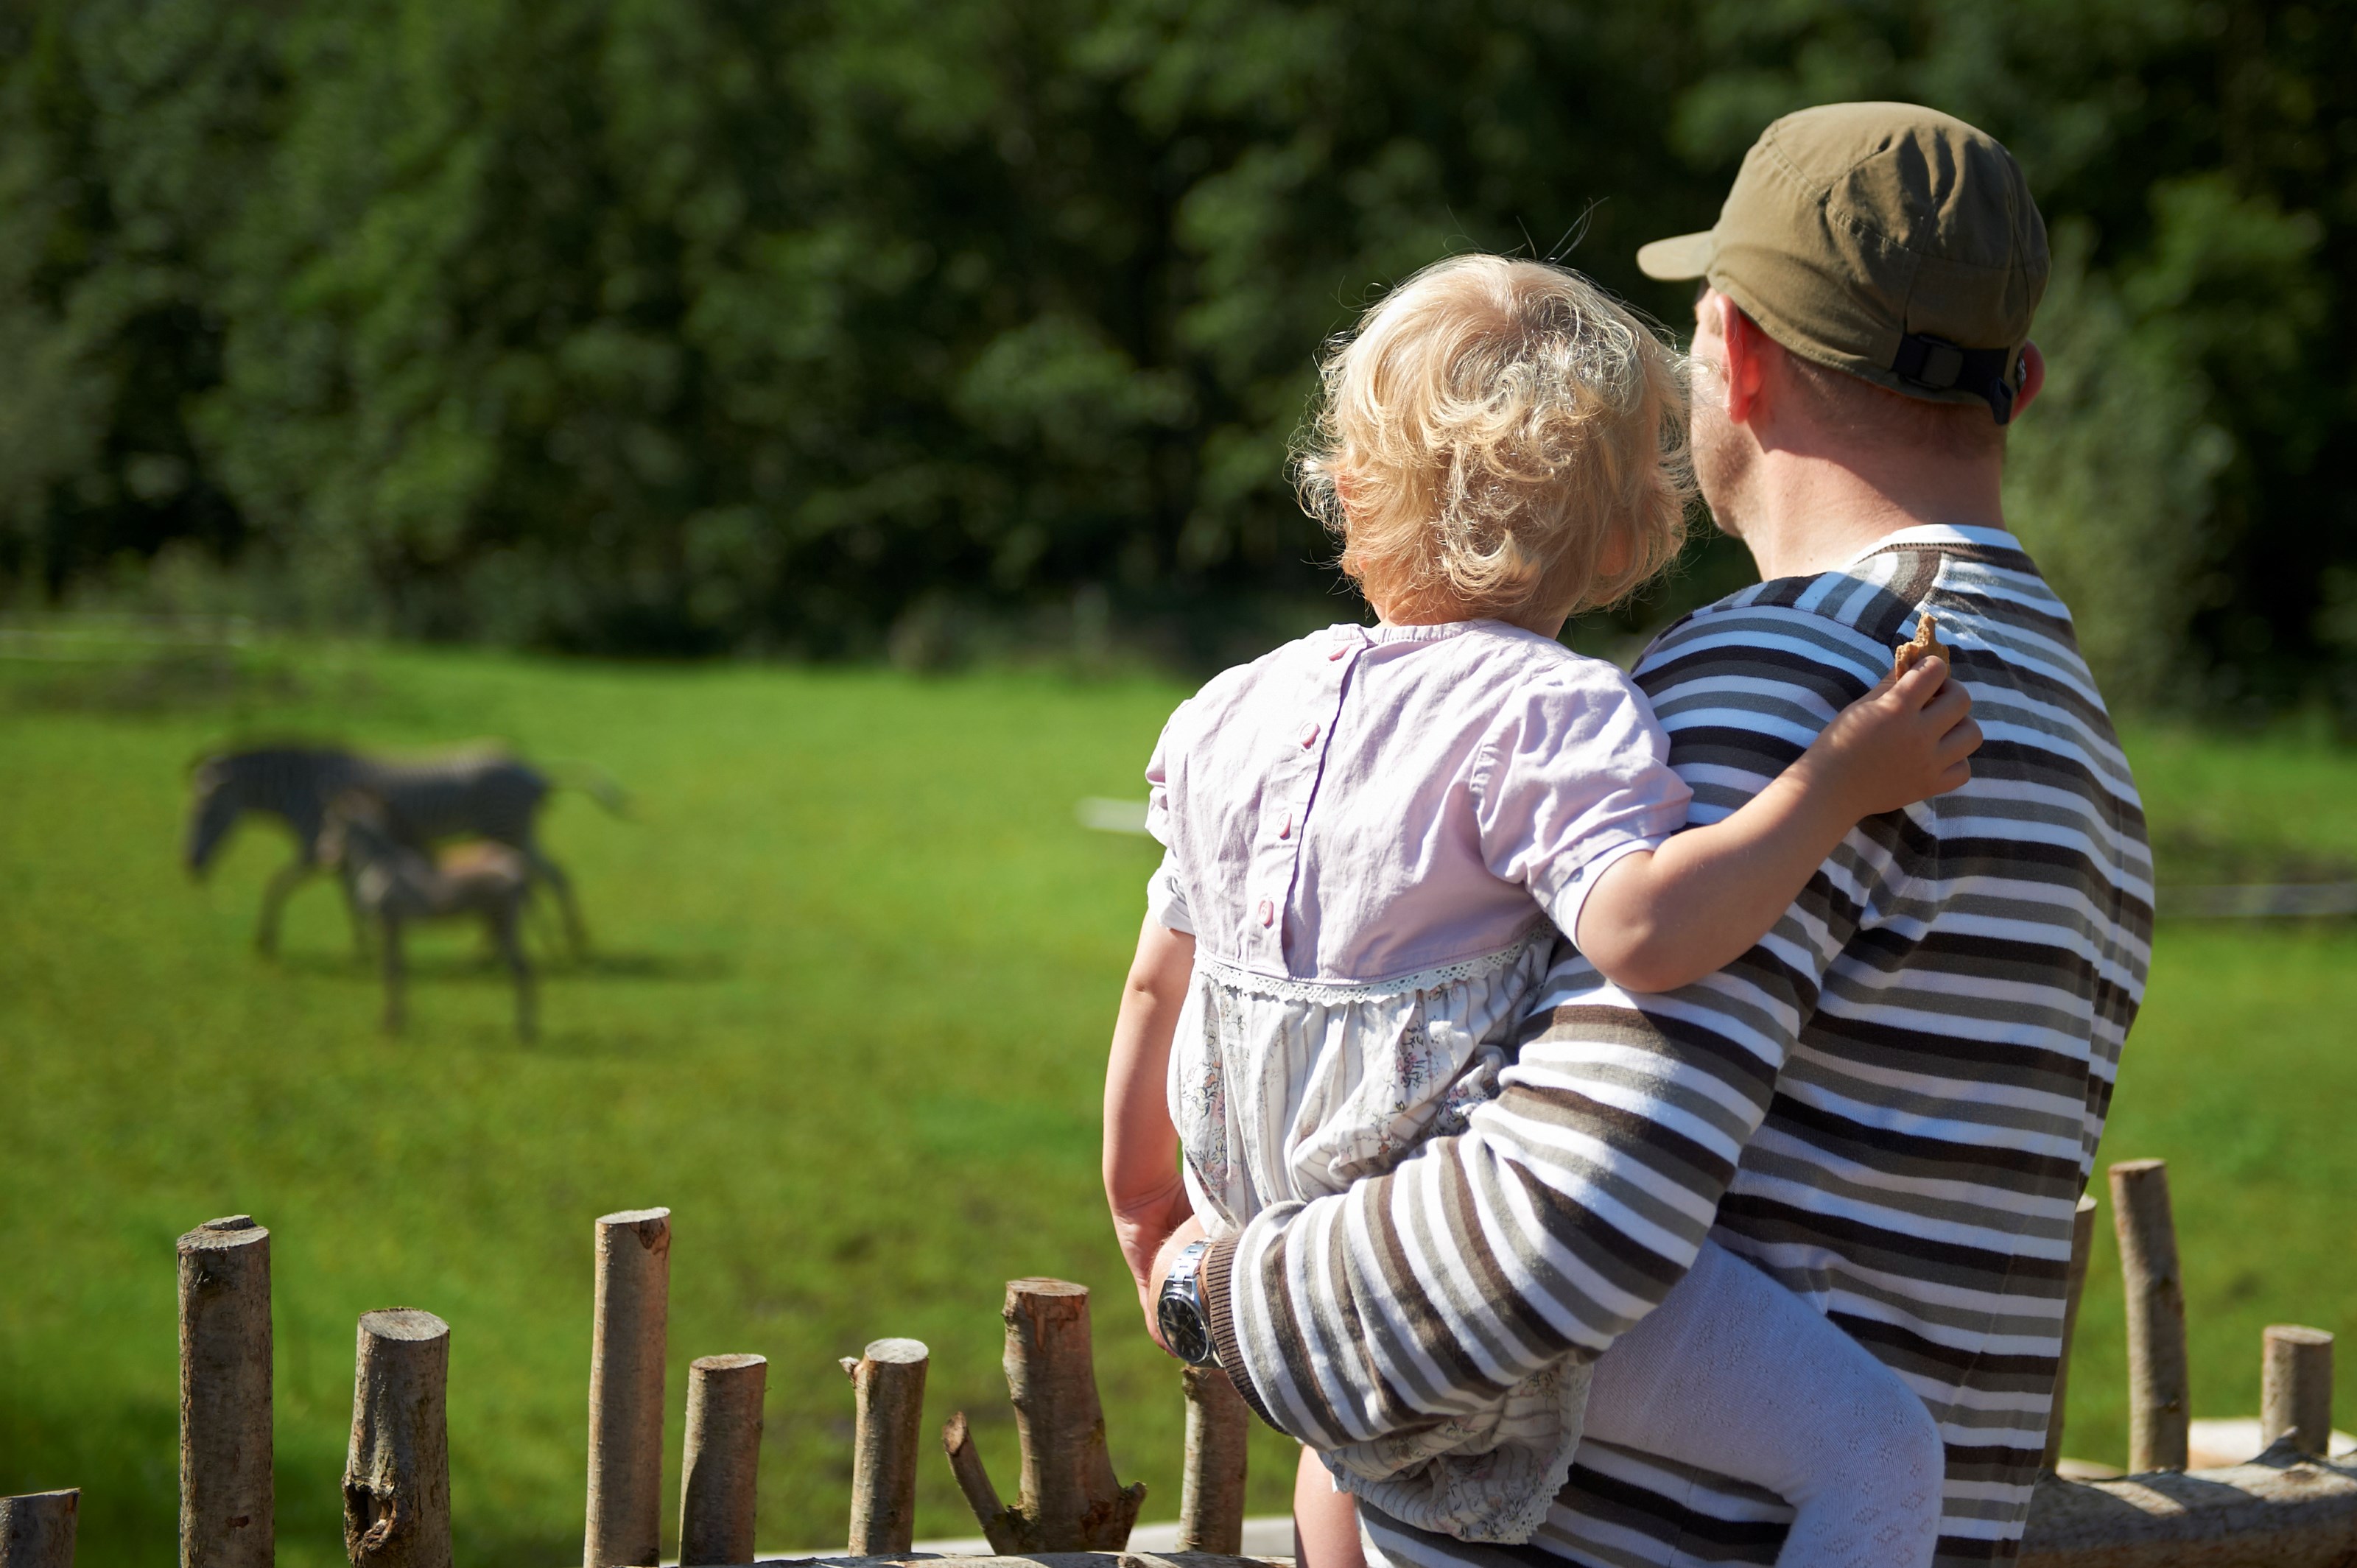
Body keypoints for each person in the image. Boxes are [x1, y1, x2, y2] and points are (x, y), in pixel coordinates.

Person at [1142, 102, 2151, 1568]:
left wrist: (1220, 1298)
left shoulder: (1797, 681)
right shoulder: (2075, 730)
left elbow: (1562, 1221)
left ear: (1731, 355)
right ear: (2023, 388)